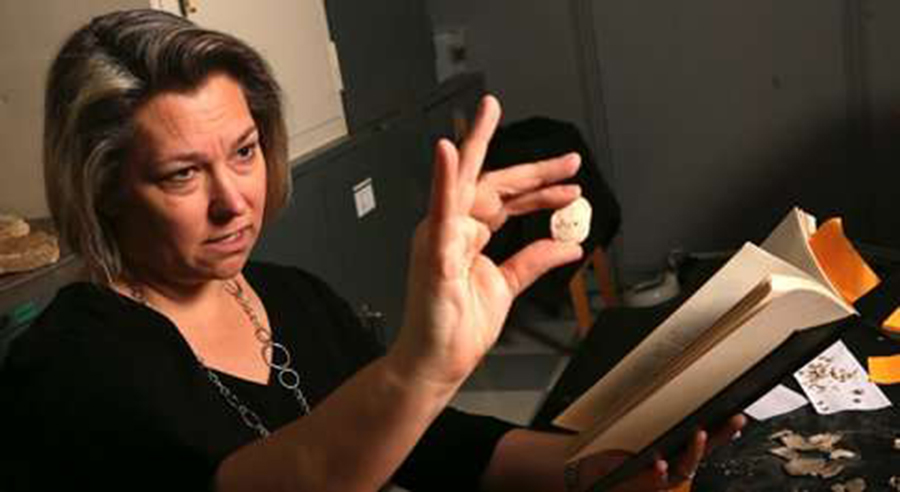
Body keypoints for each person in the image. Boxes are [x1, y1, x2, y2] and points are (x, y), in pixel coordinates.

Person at [0, 9, 744, 492]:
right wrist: (424, 363)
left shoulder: (292, 296)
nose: (234, 201)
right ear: (104, 188)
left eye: (245, 152)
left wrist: (593, 468)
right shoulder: (69, 365)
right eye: (182, 174)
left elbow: (434, 443)